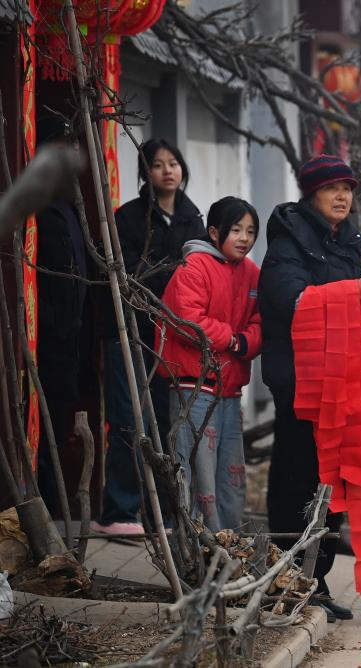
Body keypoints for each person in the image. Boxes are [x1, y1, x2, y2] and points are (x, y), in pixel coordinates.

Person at [259, 155, 361, 622]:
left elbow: (358, 313)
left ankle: (317, 581)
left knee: (334, 480)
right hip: (300, 379)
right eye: (331, 188)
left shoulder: (348, 240)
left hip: (345, 375)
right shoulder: (288, 240)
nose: (342, 197)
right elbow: (291, 301)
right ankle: (287, 581)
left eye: (348, 188)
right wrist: (354, 290)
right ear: (309, 193)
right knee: (298, 479)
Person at [93, 139, 205, 537]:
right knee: (127, 419)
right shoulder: (129, 217)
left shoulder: (195, 220)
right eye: (157, 165)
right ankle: (118, 511)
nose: (167, 171)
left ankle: (166, 515)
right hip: (130, 332)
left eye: (173, 163)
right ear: (145, 173)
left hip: (173, 337)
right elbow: (124, 275)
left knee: (166, 422)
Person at [159, 197, 261, 532]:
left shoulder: (251, 273)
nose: (244, 238)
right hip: (194, 386)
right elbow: (187, 320)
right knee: (194, 474)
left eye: (250, 231)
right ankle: (194, 555)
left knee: (231, 475)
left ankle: (228, 550)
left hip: (231, 391)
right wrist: (233, 340)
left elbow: (263, 320)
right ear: (215, 232)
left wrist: (249, 341)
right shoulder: (194, 268)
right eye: (236, 230)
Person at [34, 114, 89, 516]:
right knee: (41, 420)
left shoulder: (71, 206)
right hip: (45, 335)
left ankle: (57, 500)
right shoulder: (36, 205)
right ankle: (44, 500)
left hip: (72, 336)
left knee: (60, 417)